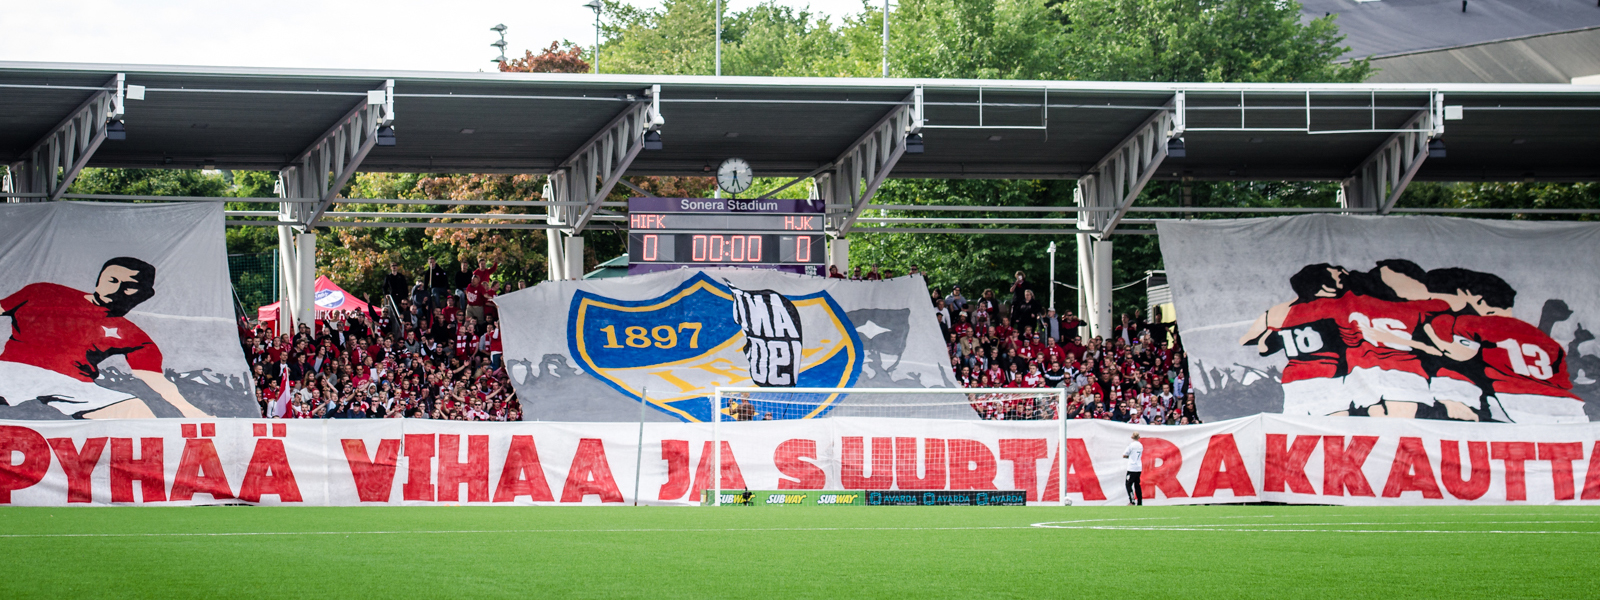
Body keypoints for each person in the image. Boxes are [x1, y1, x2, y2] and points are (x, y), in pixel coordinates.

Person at [0, 257, 211, 419]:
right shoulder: (44, 291)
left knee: (138, 413)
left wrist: (191, 411)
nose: (116, 289)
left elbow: (154, 378)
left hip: (73, 384)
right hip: (15, 371)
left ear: (144, 294)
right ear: (99, 279)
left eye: (128, 286)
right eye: (111, 280)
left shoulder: (134, 336)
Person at [1123, 432, 1144, 506]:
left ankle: (1132, 500)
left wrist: (1129, 456)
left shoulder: (1131, 445)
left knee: (1128, 484)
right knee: (1137, 484)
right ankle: (1140, 502)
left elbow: (1125, 454)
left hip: (1132, 467)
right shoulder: (1140, 445)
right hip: (1138, 467)